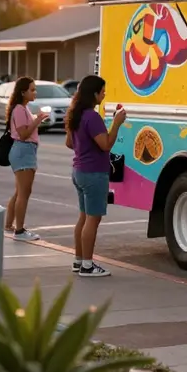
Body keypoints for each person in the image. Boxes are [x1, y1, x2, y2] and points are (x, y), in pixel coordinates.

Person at [64, 74, 126, 278]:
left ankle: (79, 260)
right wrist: (117, 123)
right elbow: (106, 144)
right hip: (94, 174)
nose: (104, 94)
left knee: (84, 217)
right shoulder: (92, 117)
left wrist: (84, 147)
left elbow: (69, 143)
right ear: (94, 94)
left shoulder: (76, 114)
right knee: (93, 219)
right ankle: (88, 266)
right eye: (102, 91)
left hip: (79, 171)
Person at [5, 77, 48, 241]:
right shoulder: (19, 109)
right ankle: (20, 231)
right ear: (23, 92)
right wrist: (37, 120)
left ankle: (9, 225)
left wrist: (36, 119)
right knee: (24, 192)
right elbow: (23, 134)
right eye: (32, 89)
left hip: (25, 151)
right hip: (24, 150)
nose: (35, 92)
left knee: (19, 192)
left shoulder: (23, 108)